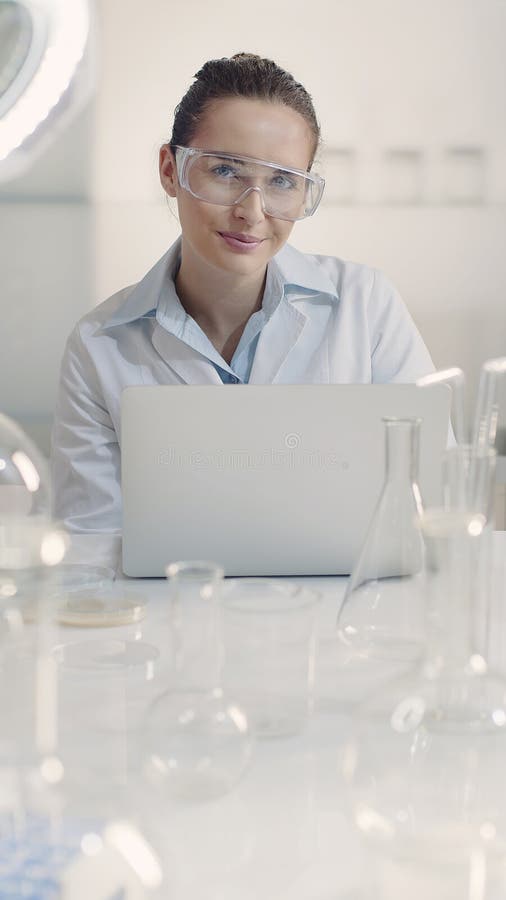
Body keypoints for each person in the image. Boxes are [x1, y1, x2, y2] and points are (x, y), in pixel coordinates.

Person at [51, 52, 435, 534]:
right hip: (169, 606)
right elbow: (90, 541)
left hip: (340, 604)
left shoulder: (366, 306)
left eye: (281, 181)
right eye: (227, 172)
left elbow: (426, 501)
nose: (251, 212)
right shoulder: (99, 345)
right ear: (171, 170)